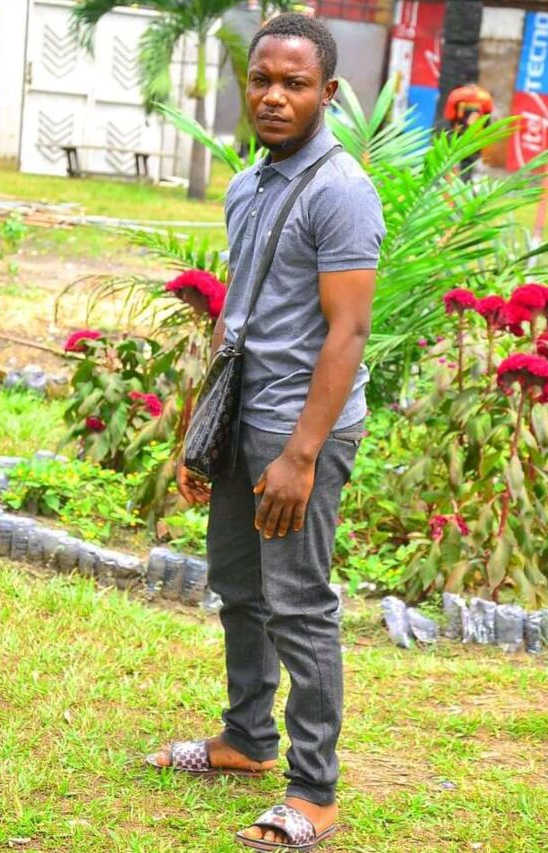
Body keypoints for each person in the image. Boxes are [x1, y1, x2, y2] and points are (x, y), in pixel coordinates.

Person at [146, 13, 385, 851]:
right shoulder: (249, 184)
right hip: (243, 416)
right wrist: (200, 426)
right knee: (239, 586)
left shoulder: (341, 190)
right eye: (262, 80)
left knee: (299, 604)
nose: (274, 96)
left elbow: (348, 332)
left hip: (300, 429)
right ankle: (246, 738)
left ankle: (313, 792)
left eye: (295, 83)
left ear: (328, 91)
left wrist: (301, 453)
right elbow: (235, 315)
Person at [443, 80, 493, 182]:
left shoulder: (456, 94)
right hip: (476, 134)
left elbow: (449, 116)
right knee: (470, 160)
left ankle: (449, 181)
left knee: (452, 158)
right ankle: (467, 180)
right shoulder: (485, 96)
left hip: (459, 133)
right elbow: (487, 119)